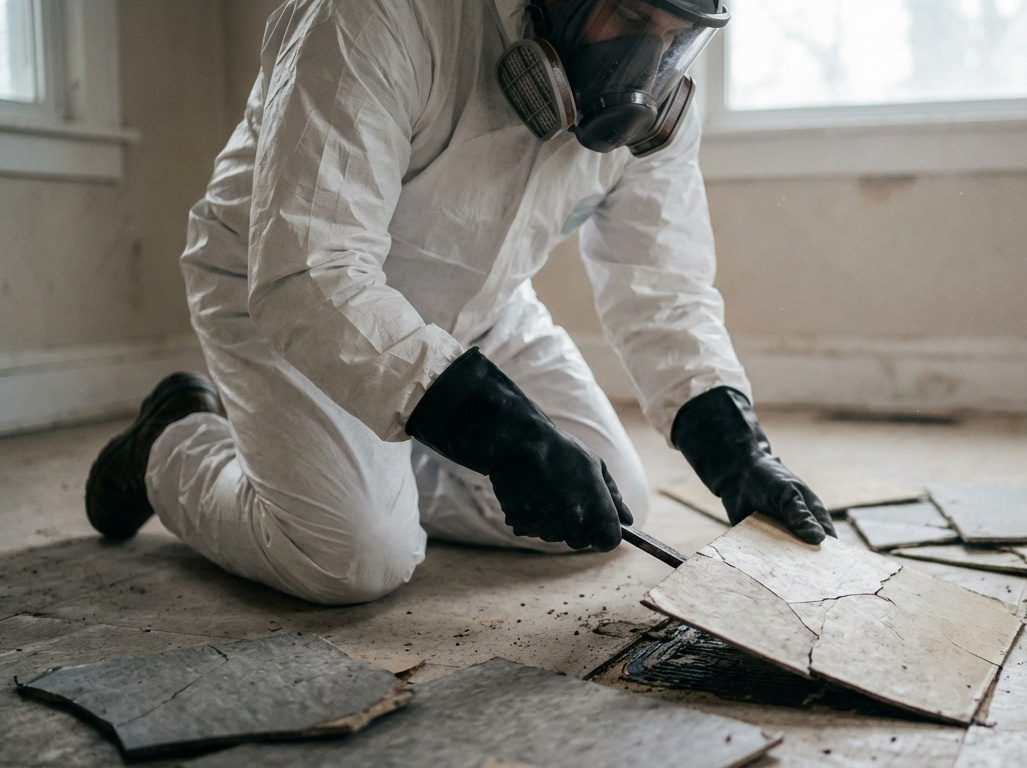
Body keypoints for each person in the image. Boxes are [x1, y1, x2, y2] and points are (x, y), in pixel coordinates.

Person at [84, 0, 834, 606]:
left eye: (676, 38)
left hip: (482, 309)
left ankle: (381, 455)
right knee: (356, 557)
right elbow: (310, 268)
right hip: (289, 294)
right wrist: (501, 437)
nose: (647, 66)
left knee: (610, 496)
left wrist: (739, 454)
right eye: (634, 21)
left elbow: (662, 287)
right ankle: (170, 443)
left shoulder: (656, 110)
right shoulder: (378, 17)